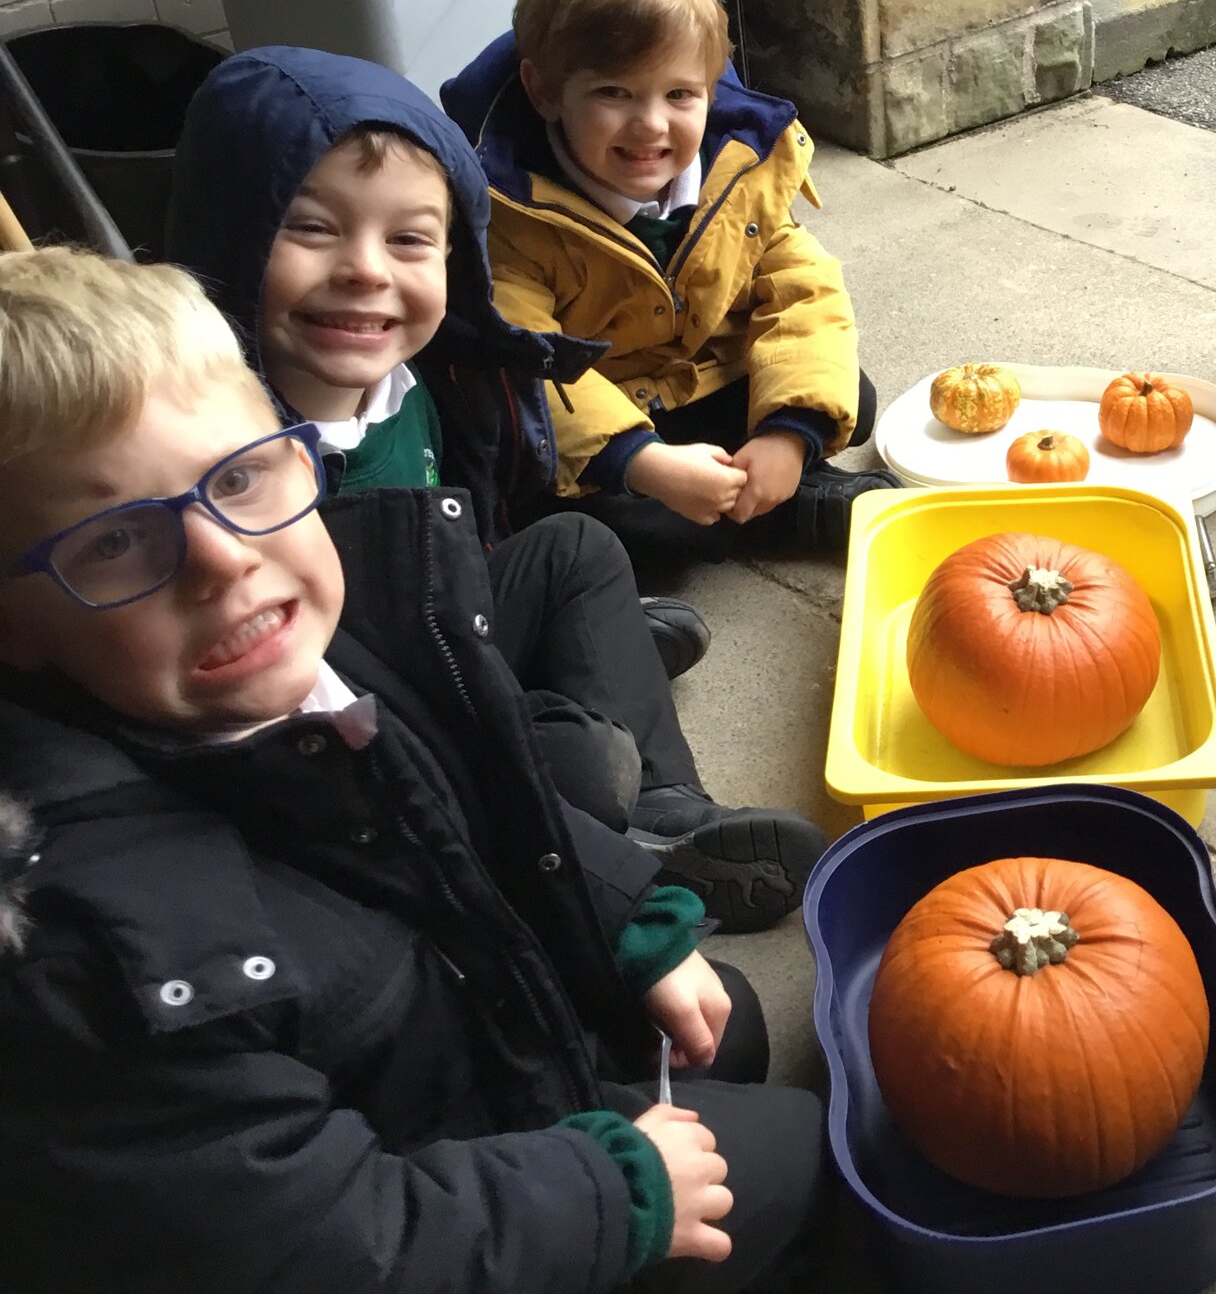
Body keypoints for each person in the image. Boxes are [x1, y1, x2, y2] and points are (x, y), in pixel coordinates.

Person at [0, 249, 827, 1290]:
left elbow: (471, 792)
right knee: (801, 1147)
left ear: (303, 455)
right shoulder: (93, 968)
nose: (221, 559)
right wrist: (606, 1193)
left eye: (242, 476)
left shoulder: (303, 653)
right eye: (114, 541)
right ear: (13, 627)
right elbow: (319, 1249)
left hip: (453, 1043)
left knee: (730, 1023)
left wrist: (627, 917)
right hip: (404, 1182)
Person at [167, 49, 825, 931]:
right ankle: (640, 862)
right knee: (584, 762)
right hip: (369, 717)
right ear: (231, 234)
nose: (366, 269)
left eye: (407, 240)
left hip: (453, 613)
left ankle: (675, 805)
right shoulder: (221, 460)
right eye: (313, 229)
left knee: (580, 550)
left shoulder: (424, 377)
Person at [441, 0, 896, 559]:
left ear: (711, 89)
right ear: (544, 92)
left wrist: (787, 433)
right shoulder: (511, 213)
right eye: (614, 94)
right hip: (612, 406)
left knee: (845, 393)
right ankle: (787, 511)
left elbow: (803, 293)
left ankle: (765, 482)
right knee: (612, 521)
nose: (651, 125)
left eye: (679, 95)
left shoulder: (739, 173)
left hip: (712, 375)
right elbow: (530, 367)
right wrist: (644, 461)